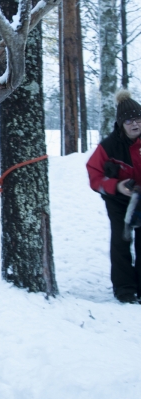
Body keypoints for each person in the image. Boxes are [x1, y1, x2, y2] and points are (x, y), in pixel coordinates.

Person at [87, 89, 141, 304]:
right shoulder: (108, 147)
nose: (135, 124)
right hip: (118, 201)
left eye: (138, 118)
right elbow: (94, 176)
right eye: (129, 121)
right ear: (120, 124)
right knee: (121, 241)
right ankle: (125, 289)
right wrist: (116, 186)